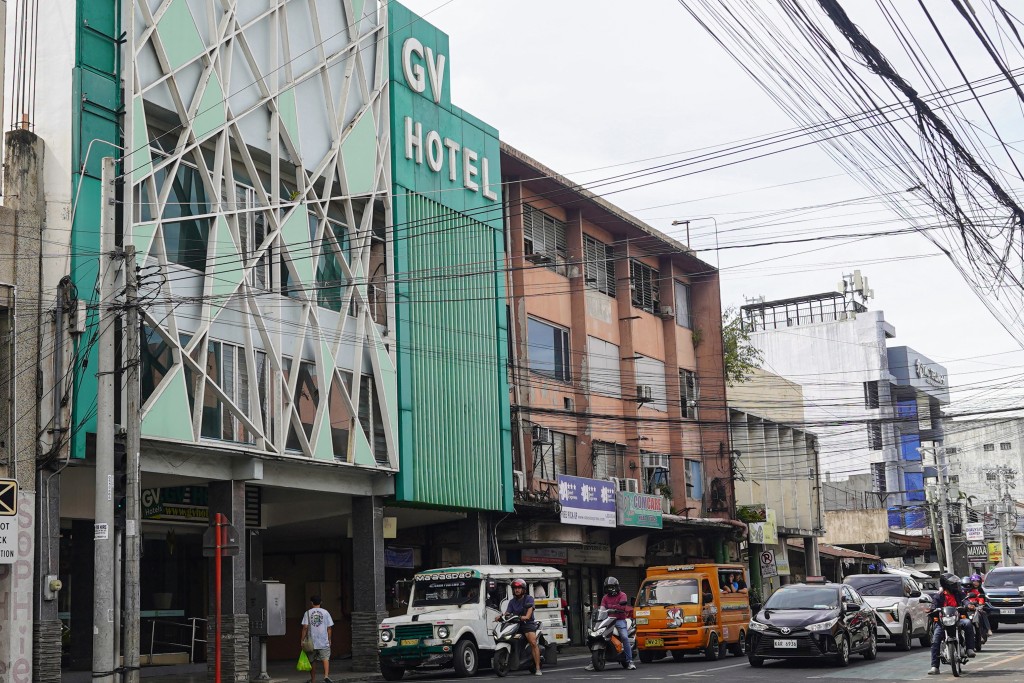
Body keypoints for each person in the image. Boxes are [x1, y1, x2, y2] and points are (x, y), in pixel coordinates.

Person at [928, 573, 975, 676]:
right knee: (936, 639)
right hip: (943, 623)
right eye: (953, 583)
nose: (956, 585)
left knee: (967, 623)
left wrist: (969, 605)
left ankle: (970, 649)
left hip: (957, 620)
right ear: (947, 584)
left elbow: (965, 601)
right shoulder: (938, 596)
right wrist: (931, 609)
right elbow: (933, 606)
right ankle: (935, 667)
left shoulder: (959, 593)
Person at [586, 576, 635, 671]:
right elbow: (602, 608)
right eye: (608, 587)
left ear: (616, 587)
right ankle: (593, 662)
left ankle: (630, 661)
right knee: (593, 636)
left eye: (612, 587)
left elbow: (622, 607)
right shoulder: (605, 598)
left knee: (624, 637)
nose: (610, 589)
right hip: (608, 619)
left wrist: (614, 607)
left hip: (619, 620)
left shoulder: (622, 595)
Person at [496, 578, 542, 676]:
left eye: (519, 588)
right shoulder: (512, 602)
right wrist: (501, 617)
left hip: (527, 624)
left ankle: (538, 668)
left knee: (533, 642)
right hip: (515, 624)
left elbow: (529, 615)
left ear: (523, 589)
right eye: (515, 588)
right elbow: (507, 613)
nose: (517, 590)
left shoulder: (529, 599)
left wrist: (524, 617)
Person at [301, 595, 335, 683]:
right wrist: (329, 639)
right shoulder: (325, 612)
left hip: (311, 642)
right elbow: (329, 628)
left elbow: (305, 627)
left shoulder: (307, 613)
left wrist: (302, 640)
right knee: (325, 658)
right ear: (321, 602)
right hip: (323, 640)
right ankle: (326, 676)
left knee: (312, 661)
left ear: (311, 603)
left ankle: (313, 680)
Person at [964, 574, 990, 644]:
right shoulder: (962, 592)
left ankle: (985, 631)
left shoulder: (978, 591)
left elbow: (981, 598)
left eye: (977, 581)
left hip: (976, 608)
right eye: (973, 581)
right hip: (966, 610)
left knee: (982, 614)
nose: (975, 583)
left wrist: (980, 604)